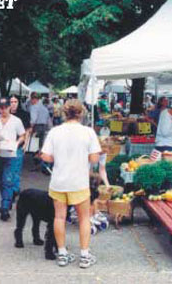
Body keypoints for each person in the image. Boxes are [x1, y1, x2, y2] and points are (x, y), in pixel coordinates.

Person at [40, 99, 101, 268]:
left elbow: (44, 156)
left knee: (59, 217)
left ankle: (62, 254)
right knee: (84, 219)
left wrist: (57, 158)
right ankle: (84, 255)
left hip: (59, 181)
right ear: (81, 113)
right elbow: (95, 158)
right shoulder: (88, 132)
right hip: (79, 181)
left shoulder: (55, 132)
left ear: (64, 113)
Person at [0, 97, 25, 221]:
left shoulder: (16, 121)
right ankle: (6, 201)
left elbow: (22, 135)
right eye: (1, 108)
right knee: (0, 180)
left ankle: (4, 207)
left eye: (5, 107)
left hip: (11, 154)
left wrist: (16, 143)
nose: (3, 110)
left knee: (8, 179)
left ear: (9, 107)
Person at [9, 95, 31, 200]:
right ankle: (10, 190)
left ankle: (15, 190)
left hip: (18, 145)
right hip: (6, 146)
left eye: (15, 101)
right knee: (8, 170)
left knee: (16, 169)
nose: (13, 104)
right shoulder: (4, 115)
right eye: (11, 101)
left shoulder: (24, 115)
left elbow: (27, 130)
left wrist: (26, 144)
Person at [28, 92, 50, 164]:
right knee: (41, 145)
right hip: (44, 127)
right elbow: (48, 118)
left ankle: (36, 163)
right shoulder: (44, 107)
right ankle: (43, 163)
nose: (31, 101)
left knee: (34, 146)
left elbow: (33, 119)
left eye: (31, 99)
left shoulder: (34, 107)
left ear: (34, 99)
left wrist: (31, 127)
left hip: (37, 127)